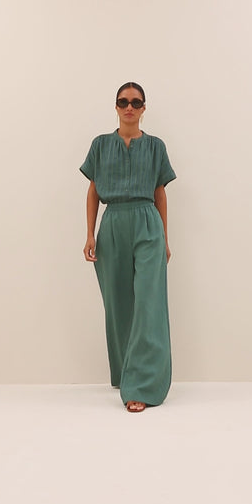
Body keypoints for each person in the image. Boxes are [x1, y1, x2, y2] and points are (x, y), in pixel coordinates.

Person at [80, 82, 176, 412]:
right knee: (119, 304)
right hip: (113, 225)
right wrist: (90, 234)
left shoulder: (156, 146)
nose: (129, 107)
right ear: (116, 106)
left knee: (149, 304)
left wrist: (164, 238)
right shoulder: (100, 145)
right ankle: (126, 371)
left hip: (147, 222)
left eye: (136, 102)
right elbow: (93, 190)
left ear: (144, 108)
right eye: (123, 102)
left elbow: (160, 192)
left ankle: (142, 385)